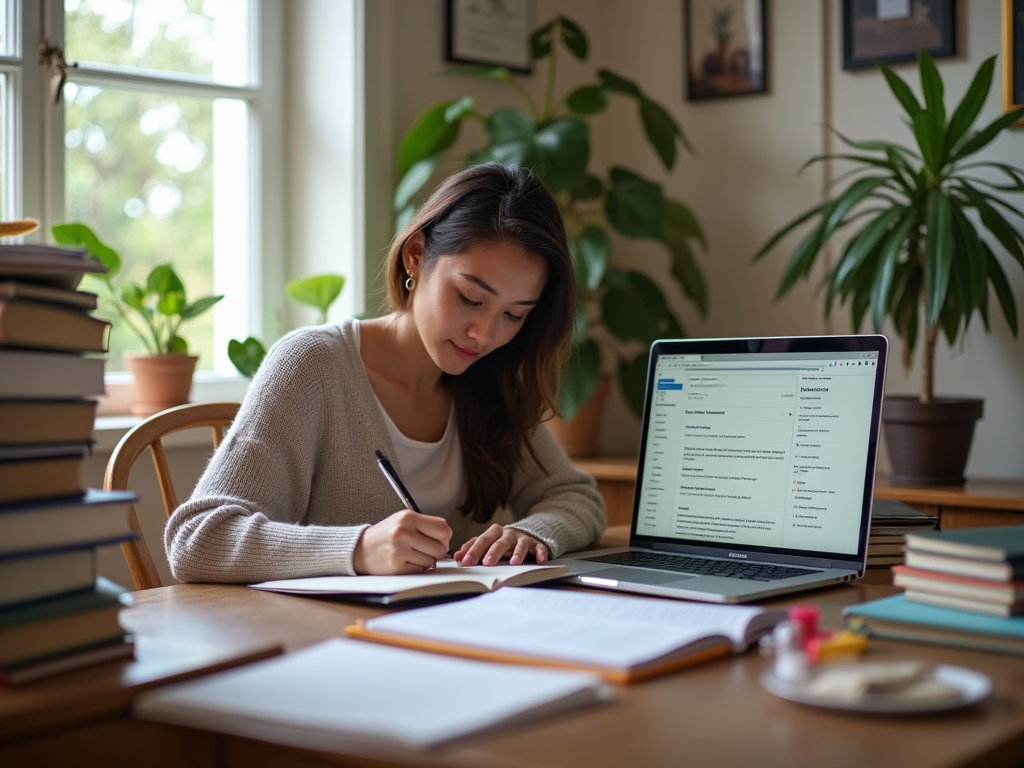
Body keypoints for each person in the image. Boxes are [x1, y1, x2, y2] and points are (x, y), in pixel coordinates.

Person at [165, 163, 606, 582]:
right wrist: (357, 549)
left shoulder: (492, 381)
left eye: (514, 315)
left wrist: (532, 533)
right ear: (416, 256)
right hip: (327, 641)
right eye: (471, 298)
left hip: (455, 636)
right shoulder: (313, 365)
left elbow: (577, 497)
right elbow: (197, 538)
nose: (484, 334)